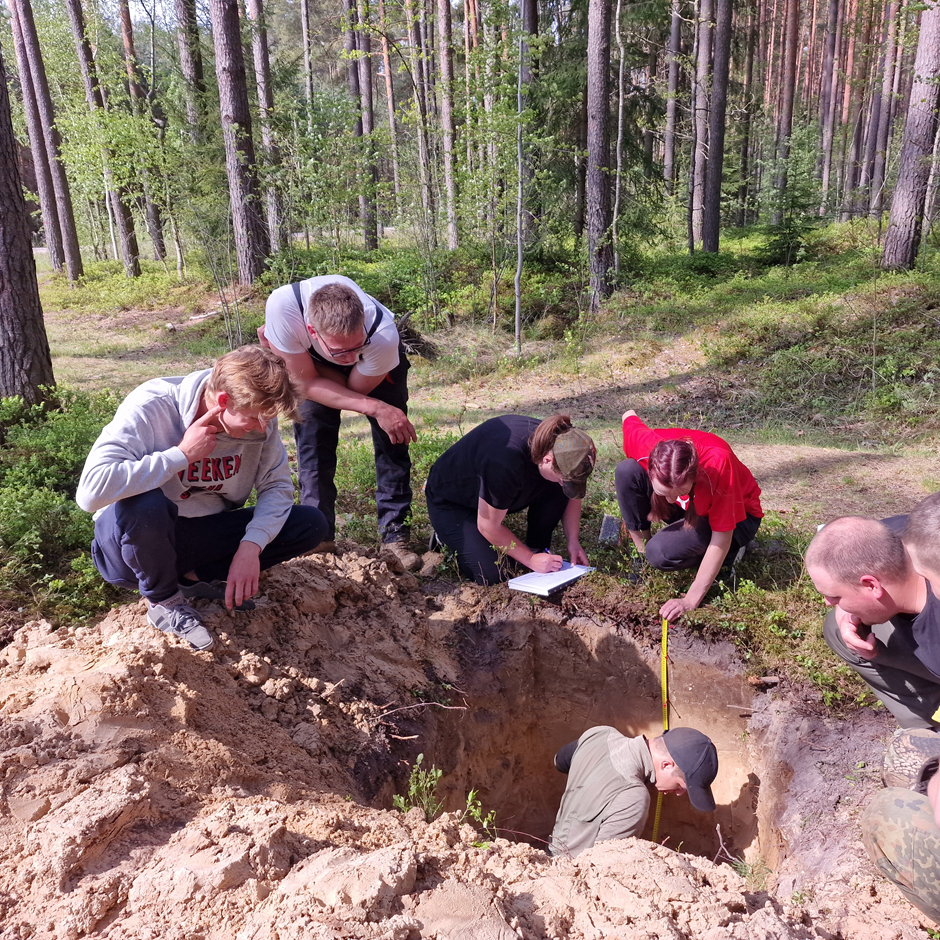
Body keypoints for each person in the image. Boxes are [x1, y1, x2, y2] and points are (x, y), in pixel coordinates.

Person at [76, 346, 328, 651]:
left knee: (309, 523)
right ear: (222, 400)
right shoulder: (153, 404)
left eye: (268, 418)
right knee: (146, 503)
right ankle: (164, 602)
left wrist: (251, 547)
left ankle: (193, 580)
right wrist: (180, 455)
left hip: (197, 534)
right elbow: (90, 494)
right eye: (252, 418)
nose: (262, 427)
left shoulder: (260, 414)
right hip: (130, 545)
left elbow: (276, 486)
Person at [261, 274, 419, 570]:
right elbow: (306, 386)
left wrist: (303, 367)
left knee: (393, 442)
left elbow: (354, 390)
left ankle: (395, 537)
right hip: (311, 361)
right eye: (342, 352)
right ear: (311, 330)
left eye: (356, 346)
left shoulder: (381, 336)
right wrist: (305, 374)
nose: (351, 357)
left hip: (373, 368)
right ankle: (318, 538)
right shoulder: (283, 309)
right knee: (313, 445)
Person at [615, 410, 763, 621]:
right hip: (692, 507)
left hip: (740, 519)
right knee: (627, 470)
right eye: (663, 493)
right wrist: (673, 495)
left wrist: (690, 600)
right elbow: (628, 415)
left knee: (659, 553)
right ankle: (640, 556)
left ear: (695, 476)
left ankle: (733, 552)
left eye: (679, 492)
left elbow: (721, 536)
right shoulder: (645, 444)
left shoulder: (718, 464)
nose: (669, 501)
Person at [424, 414, 595, 586]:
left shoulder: (564, 444)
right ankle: (444, 536)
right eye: (563, 480)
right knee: (495, 573)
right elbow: (488, 526)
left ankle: (536, 546)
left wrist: (573, 540)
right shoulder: (504, 462)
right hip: (453, 501)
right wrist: (530, 559)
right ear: (547, 460)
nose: (564, 484)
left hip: (497, 491)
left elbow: (573, 493)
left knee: (558, 485)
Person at [805, 515, 940, 730]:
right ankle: (924, 724)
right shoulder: (899, 534)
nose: (827, 603)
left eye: (835, 596)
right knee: (838, 628)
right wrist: (843, 612)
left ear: (872, 585)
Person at [549, 725, 718, 858]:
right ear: (666, 765)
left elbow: (559, 761)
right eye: (681, 785)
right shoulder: (633, 796)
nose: (680, 793)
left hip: (548, 854)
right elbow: (601, 866)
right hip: (568, 878)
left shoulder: (600, 734)